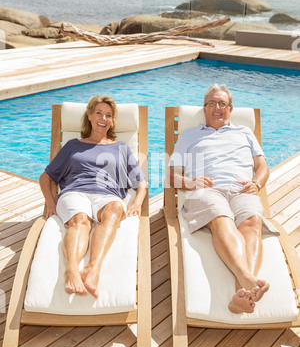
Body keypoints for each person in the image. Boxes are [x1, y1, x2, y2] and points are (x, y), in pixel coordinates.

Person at [169, 83, 279, 315]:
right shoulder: (189, 135)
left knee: (253, 222)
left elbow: (262, 166)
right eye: (211, 103)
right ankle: (249, 282)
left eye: (222, 103)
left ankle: (243, 292)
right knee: (222, 219)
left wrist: (256, 183)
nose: (217, 107)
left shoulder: (245, 133)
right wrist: (190, 183)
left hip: (242, 189)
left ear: (230, 109)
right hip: (208, 189)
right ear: (205, 108)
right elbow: (172, 175)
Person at [39, 95, 147, 299]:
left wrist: (137, 202)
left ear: (112, 121)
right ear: (89, 115)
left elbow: (140, 183)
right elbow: (46, 177)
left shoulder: (121, 147)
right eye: (99, 112)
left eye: (109, 115)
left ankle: (92, 268)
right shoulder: (73, 145)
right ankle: (71, 269)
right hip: (75, 192)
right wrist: (50, 203)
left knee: (115, 210)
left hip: (107, 195)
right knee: (81, 220)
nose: (103, 118)